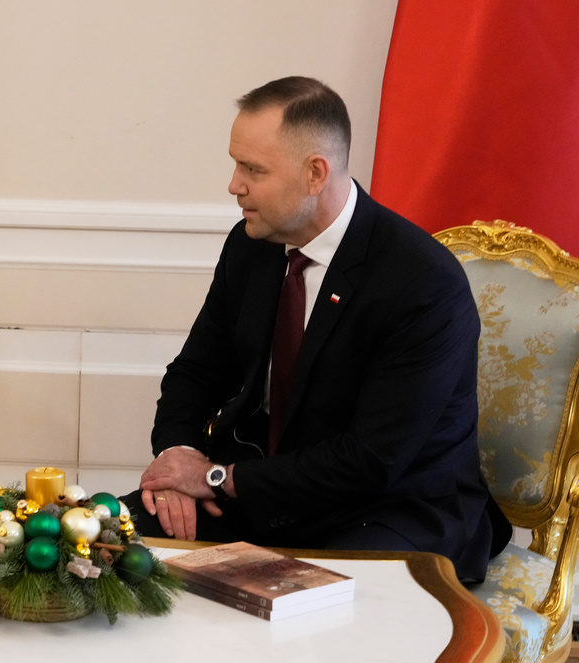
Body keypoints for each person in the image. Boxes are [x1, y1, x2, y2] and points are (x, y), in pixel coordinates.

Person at [127, 76, 510, 581]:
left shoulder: (421, 282)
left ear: (315, 173)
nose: (234, 184)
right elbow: (195, 373)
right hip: (258, 489)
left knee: (322, 614)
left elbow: (371, 460)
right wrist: (178, 460)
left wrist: (215, 477)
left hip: (388, 506)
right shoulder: (251, 246)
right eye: (235, 163)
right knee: (103, 539)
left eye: (252, 169)